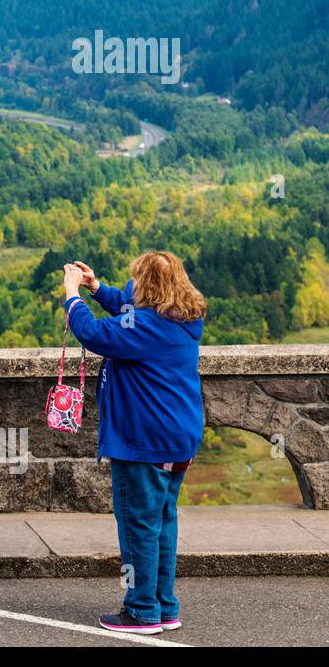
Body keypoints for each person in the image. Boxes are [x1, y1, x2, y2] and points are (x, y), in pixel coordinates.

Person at [61, 252, 205, 636]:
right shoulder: (183, 318)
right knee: (161, 522)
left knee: (137, 526)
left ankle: (141, 610)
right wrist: (97, 288)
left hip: (143, 443)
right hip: (178, 440)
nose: (133, 287)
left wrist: (73, 296)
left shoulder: (143, 327)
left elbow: (92, 333)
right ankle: (164, 605)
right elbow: (128, 309)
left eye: (137, 281)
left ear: (148, 288)